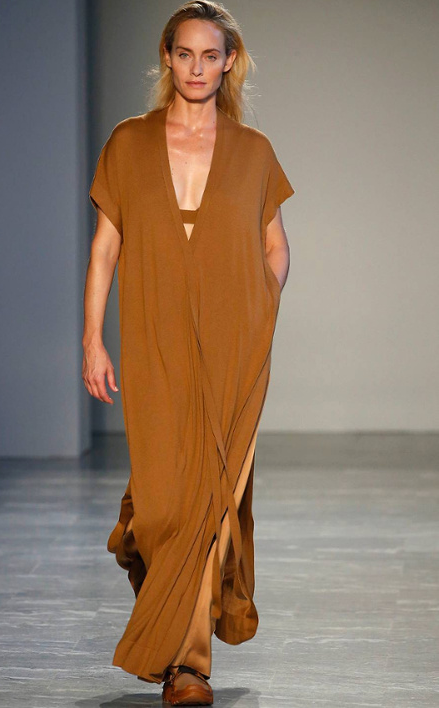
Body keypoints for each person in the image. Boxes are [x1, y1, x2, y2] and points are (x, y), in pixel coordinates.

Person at [82, 1, 294, 704]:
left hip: (235, 344)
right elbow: (106, 247)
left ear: (229, 61)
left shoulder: (253, 151)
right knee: (159, 511)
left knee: (209, 500)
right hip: (154, 338)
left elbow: (276, 247)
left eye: (210, 55)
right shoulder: (129, 142)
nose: (197, 68)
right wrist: (91, 338)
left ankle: (188, 667)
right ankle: (139, 545)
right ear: (167, 58)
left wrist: (259, 308)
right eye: (184, 54)